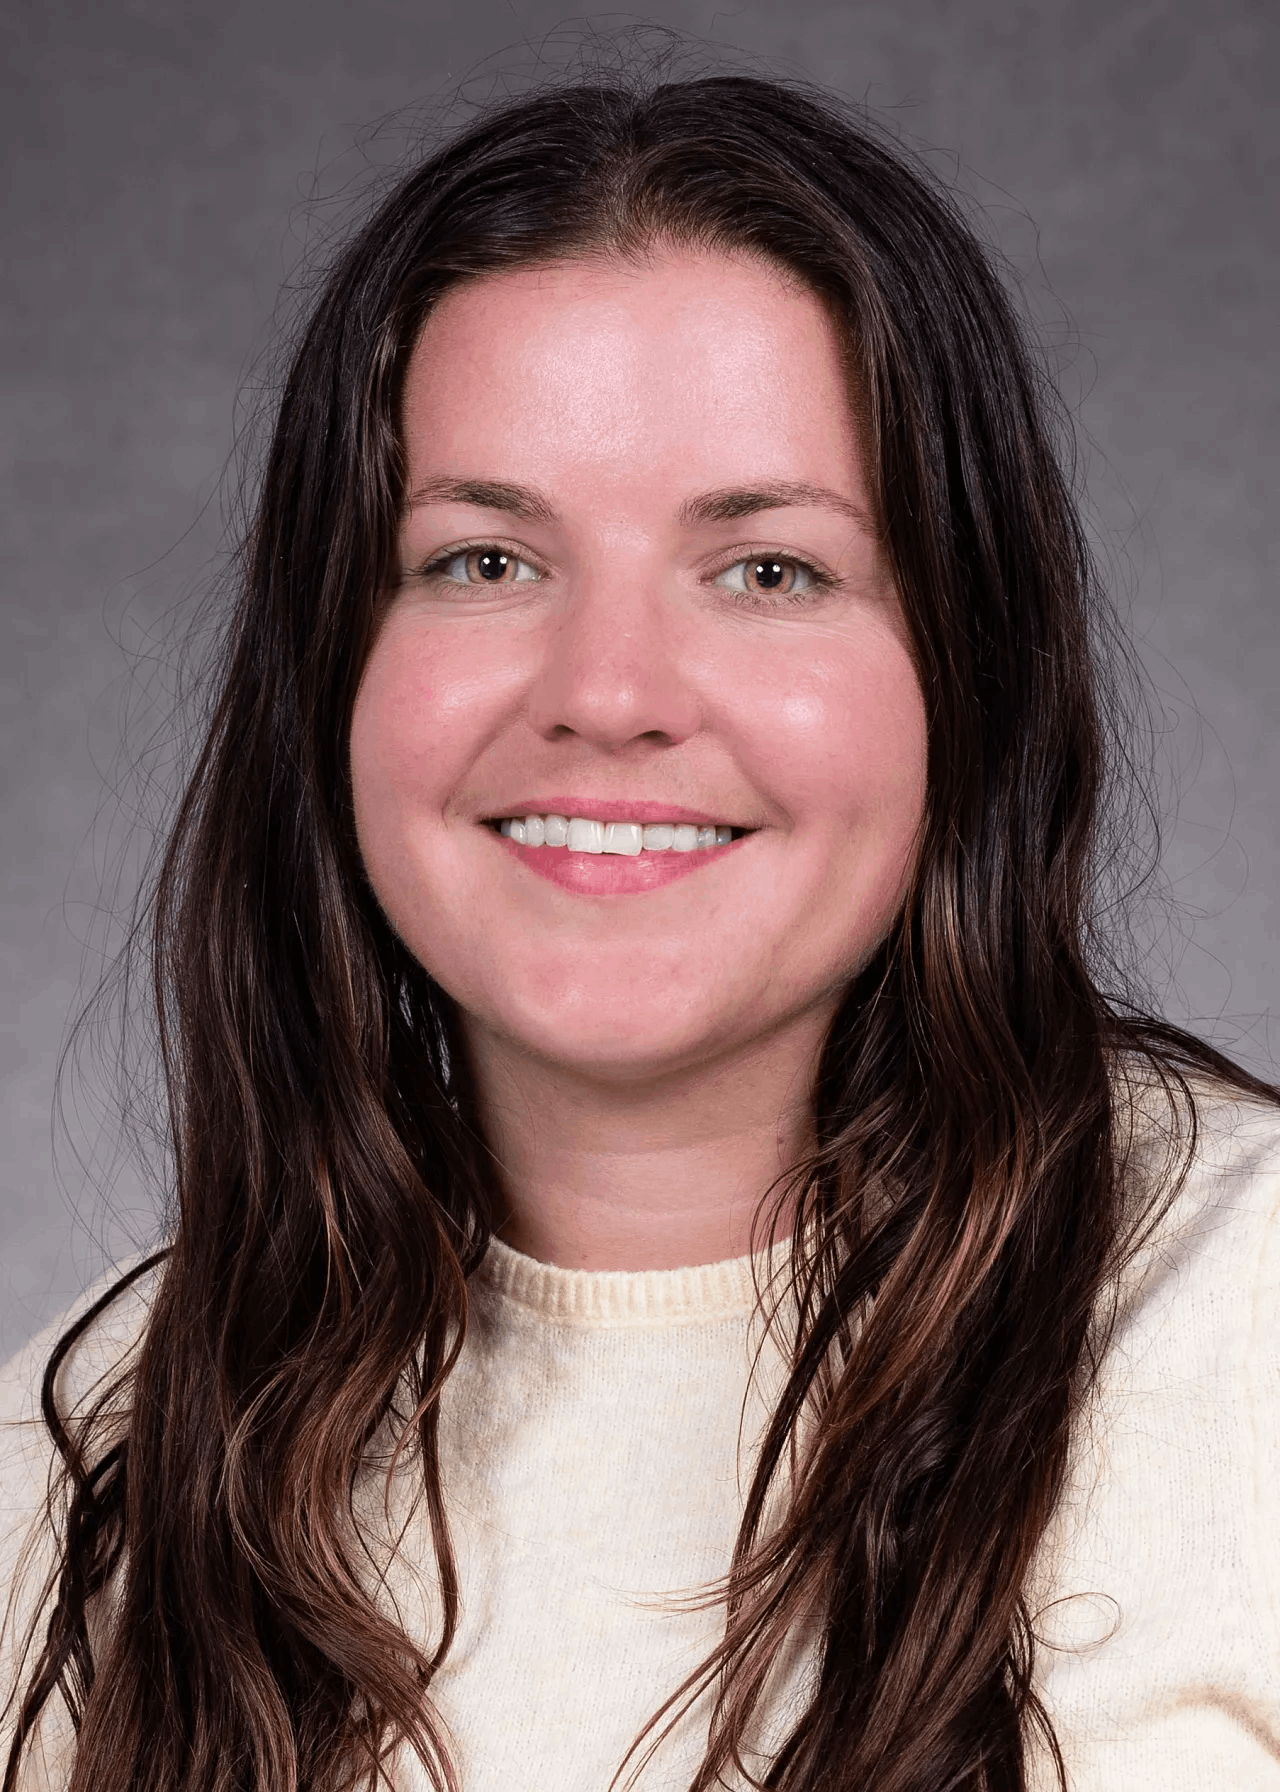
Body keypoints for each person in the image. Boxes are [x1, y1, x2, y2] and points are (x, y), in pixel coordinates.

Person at [2, 68, 1277, 1792]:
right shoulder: (83, 1464)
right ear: (332, 677)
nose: (608, 695)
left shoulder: (1243, 1318)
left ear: (965, 674)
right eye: (481, 561)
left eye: (768, 572)